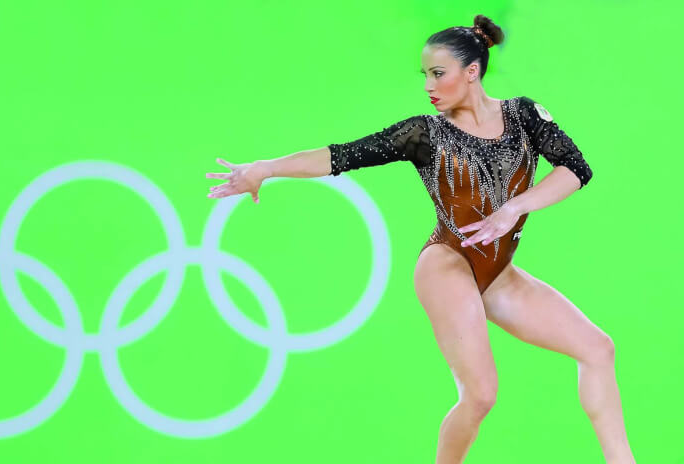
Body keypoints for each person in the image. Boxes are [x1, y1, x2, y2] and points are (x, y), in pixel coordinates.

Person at [204, 13, 636, 464]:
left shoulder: (523, 115)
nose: (429, 85)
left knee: (598, 349)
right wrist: (266, 168)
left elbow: (575, 168)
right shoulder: (425, 133)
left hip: (499, 274)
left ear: (471, 72)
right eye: (425, 75)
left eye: (438, 73)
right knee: (481, 395)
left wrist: (514, 208)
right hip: (448, 264)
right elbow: (342, 156)